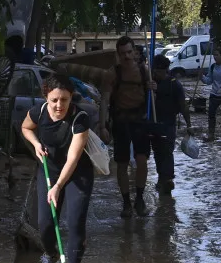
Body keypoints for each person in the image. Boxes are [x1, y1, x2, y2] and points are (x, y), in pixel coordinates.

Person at [54, 36, 155, 218]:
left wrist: (152, 88)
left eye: (129, 52)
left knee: (142, 161)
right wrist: (102, 127)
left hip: (140, 121)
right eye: (123, 53)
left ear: (134, 52)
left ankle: (139, 199)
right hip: (121, 121)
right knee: (122, 164)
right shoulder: (112, 74)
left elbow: (152, 98)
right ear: (118, 54)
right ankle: (126, 203)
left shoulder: (144, 71)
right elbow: (105, 101)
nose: (126, 56)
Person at [21, 74, 94, 263]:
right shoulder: (39, 112)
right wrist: (35, 144)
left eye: (64, 99)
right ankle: (49, 254)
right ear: (46, 98)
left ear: (71, 98)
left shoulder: (80, 119)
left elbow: (73, 158)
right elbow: (26, 128)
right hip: (48, 171)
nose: (59, 105)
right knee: (45, 223)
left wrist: (58, 186)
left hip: (76, 174)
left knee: (75, 222)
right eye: (54, 100)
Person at [150, 54, 193, 195]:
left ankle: (167, 179)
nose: (156, 73)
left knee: (167, 151)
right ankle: (162, 178)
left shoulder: (174, 84)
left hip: (169, 124)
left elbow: (183, 105)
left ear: (165, 70)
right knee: (157, 152)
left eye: (159, 71)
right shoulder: (150, 83)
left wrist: (189, 125)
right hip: (154, 123)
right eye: (155, 70)